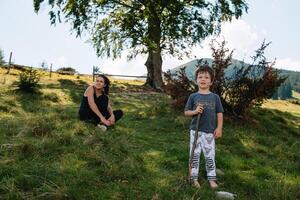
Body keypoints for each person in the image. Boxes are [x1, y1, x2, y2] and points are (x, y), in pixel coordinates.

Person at [184, 65, 224, 189]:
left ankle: (212, 179)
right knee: (195, 154)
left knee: (210, 155)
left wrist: (219, 128)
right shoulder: (193, 97)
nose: (203, 79)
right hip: (195, 131)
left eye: (206, 77)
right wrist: (195, 111)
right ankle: (193, 178)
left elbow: (219, 113)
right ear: (196, 80)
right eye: (200, 77)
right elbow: (186, 112)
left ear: (211, 81)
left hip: (209, 132)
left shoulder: (215, 97)